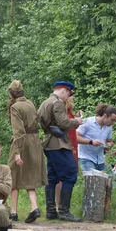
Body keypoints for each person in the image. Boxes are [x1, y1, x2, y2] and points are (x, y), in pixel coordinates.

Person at [37, 81, 82, 222]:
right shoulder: (57, 103)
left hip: (49, 143)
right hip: (59, 143)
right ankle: (64, 211)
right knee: (70, 175)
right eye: (68, 92)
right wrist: (77, 121)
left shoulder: (45, 103)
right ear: (63, 90)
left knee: (52, 177)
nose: (68, 96)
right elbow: (64, 123)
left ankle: (51, 211)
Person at [6, 80, 46, 223]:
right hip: (34, 142)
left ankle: (14, 212)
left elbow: (18, 131)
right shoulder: (30, 103)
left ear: (11, 93)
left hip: (22, 143)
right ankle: (34, 207)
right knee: (29, 176)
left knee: (13, 176)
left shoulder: (15, 107)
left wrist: (17, 152)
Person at [76, 104, 116, 172]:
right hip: (86, 157)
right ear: (105, 116)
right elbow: (75, 137)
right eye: (112, 120)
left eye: (115, 120)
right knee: (92, 179)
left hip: (100, 159)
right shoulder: (88, 122)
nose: (113, 123)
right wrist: (91, 142)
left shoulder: (109, 127)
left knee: (103, 181)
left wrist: (110, 145)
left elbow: (109, 141)